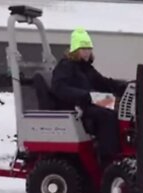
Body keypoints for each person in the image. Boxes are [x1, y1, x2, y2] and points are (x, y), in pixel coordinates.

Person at [50, 27, 127, 168]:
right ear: (75, 50)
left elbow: (103, 82)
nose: (87, 52)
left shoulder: (86, 68)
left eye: (89, 48)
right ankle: (108, 158)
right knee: (107, 116)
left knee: (121, 108)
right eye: (83, 48)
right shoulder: (66, 66)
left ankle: (126, 148)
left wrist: (124, 86)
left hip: (90, 100)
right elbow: (59, 88)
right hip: (76, 106)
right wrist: (84, 95)